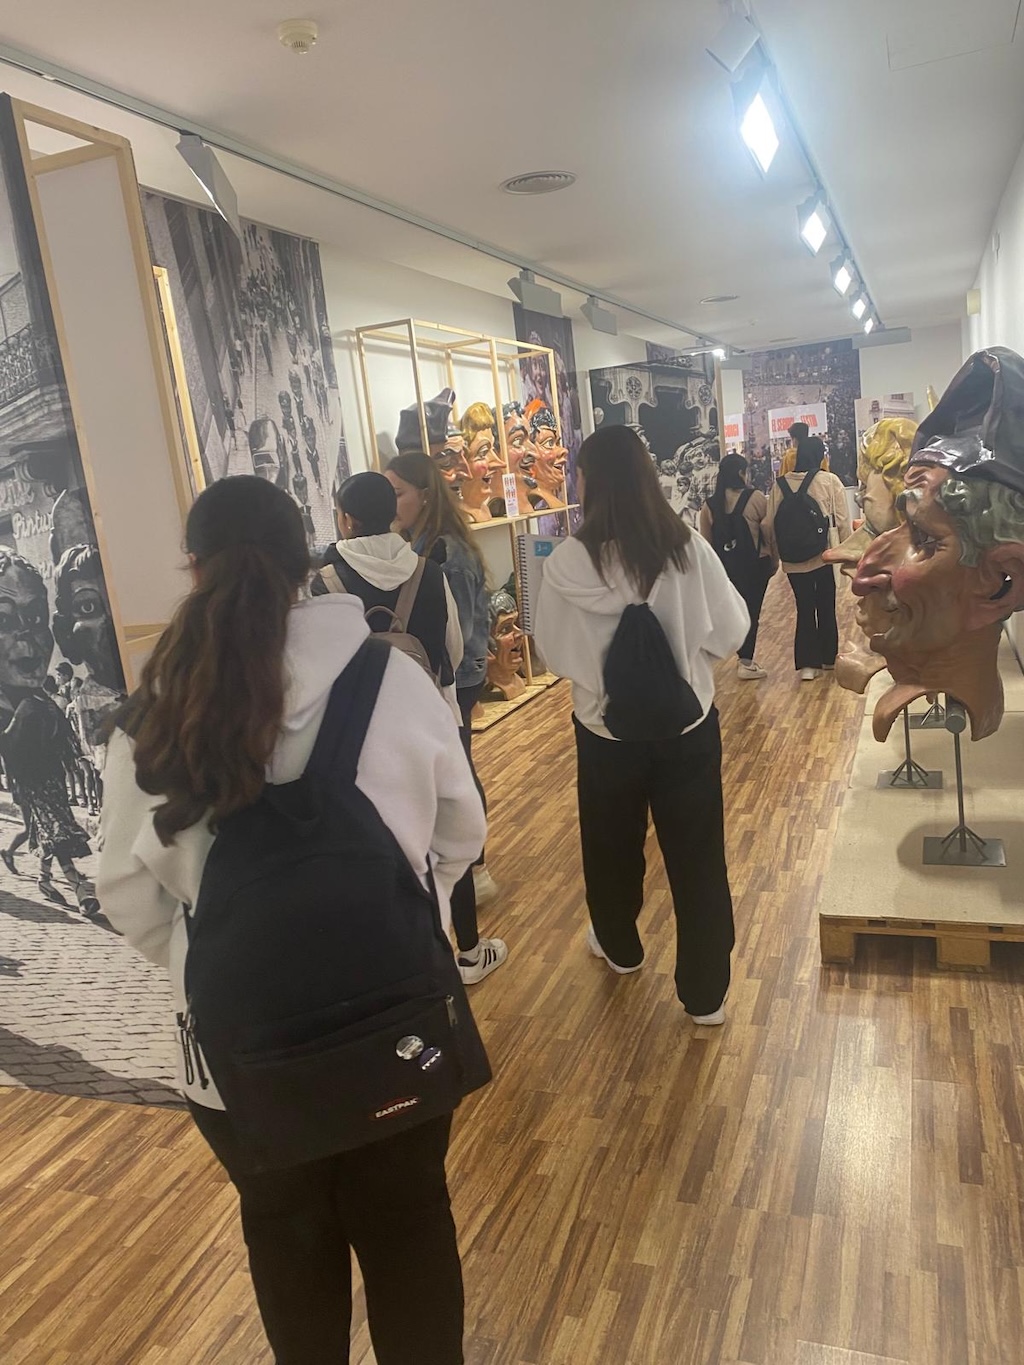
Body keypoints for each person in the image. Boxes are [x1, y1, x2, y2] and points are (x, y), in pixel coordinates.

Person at [97, 476, 484, 1365]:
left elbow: (128, 896)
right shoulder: (390, 677)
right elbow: (461, 833)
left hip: (239, 1056)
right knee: (409, 1226)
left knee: (285, 1237)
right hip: (398, 1026)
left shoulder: (151, 719)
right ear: (308, 558)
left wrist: (210, 952)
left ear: (194, 568)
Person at [535, 426, 749, 1025]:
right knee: (698, 855)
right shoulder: (686, 548)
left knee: (609, 844)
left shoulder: (567, 563)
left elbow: (552, 652)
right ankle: (705, 995)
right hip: (687, 727)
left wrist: (597, 676)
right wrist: (687, 661)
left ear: (588, 482)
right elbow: (732, 631)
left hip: (604, 733)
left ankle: (620, 947)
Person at [386, 452, 507, 986]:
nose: (393, 503)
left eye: (398, 492)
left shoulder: (446, 553)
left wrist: (449, 682)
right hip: (438, 676)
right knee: (451, 765)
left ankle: (473, 864)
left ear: (423, 494)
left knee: (457, 766)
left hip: (454, 675)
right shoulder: (420, 545)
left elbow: (457, 634)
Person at [311, 470, 463, 721]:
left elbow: (322, 663)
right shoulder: (429, 572)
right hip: (427, 714)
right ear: (393, 514)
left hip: (360, 722)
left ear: (347, 520)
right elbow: (453, 649)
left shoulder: (325, 582)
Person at [767, 435, 851, 681]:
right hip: (823, 555)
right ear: (820, 456)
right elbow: (842, 521)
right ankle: (829, 658)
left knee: (804, 608)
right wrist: (846, 554)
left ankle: (807, 665)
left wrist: (776, 555)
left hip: (792, 560)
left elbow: (770, 524)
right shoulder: (829, 481)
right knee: (826, 605)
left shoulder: (779, 485)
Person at [700, 452, 776, 680]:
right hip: (755, 564)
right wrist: (774, 559)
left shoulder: (710, 506)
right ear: (742, 473)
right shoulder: (756, 498)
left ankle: (730, 654)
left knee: (734, 609)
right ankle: (746, 661)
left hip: (727, 568)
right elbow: (768, 530)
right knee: (752, 611)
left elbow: (706, 544)